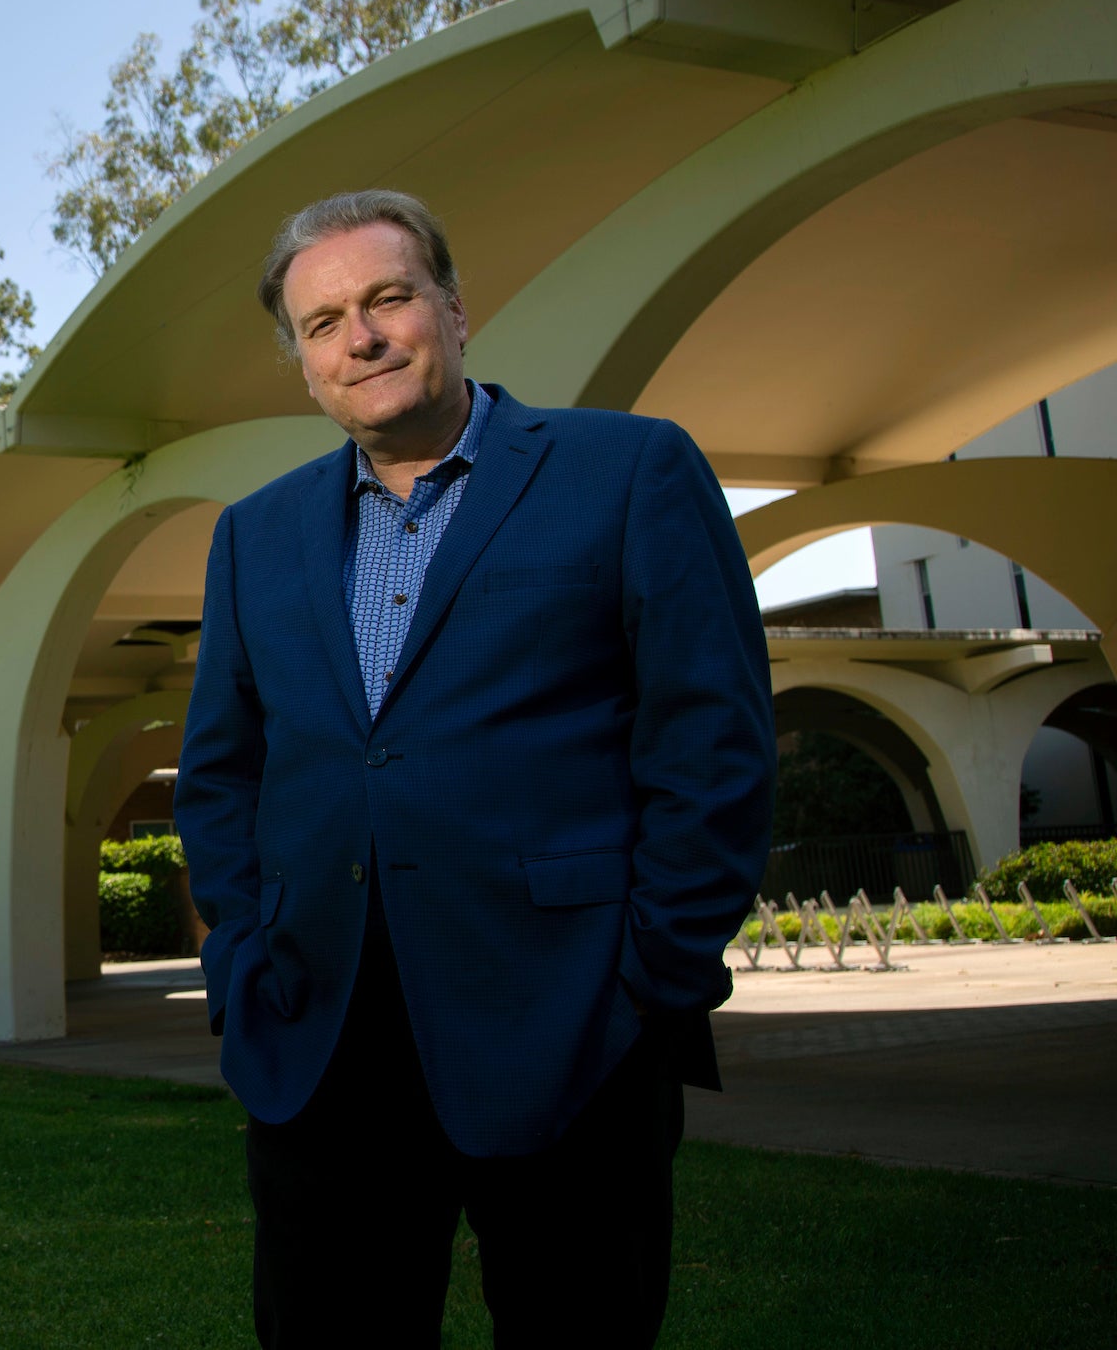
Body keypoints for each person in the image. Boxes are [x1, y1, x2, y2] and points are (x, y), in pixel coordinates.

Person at [175, 190, 773, 1347]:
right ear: (301, 362)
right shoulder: (254, 535)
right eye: (324, 321)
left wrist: (652, 974)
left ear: (452, 308)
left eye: (388, 298)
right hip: (321, 1042)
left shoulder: (629, 470)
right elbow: (221, 773)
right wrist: (244, 958)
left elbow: (713, 744)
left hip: (570, 1029)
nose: (362, 336)